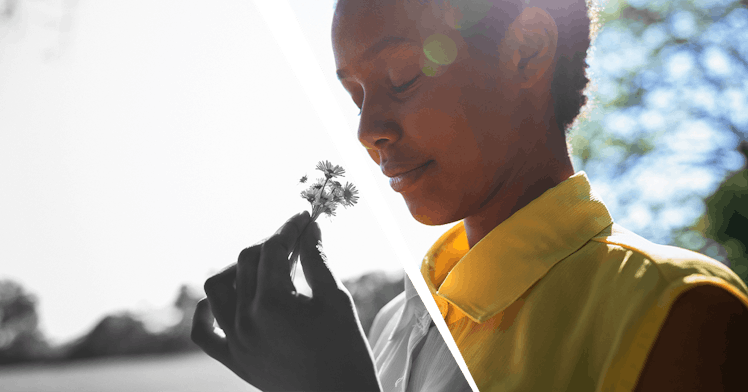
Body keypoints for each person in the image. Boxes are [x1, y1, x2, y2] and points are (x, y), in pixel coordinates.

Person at [191, 0, 748, 391]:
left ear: (528, 49)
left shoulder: (680, 314)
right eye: (356, 95)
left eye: (403, 76)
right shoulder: (390, 324)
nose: (367, 130)